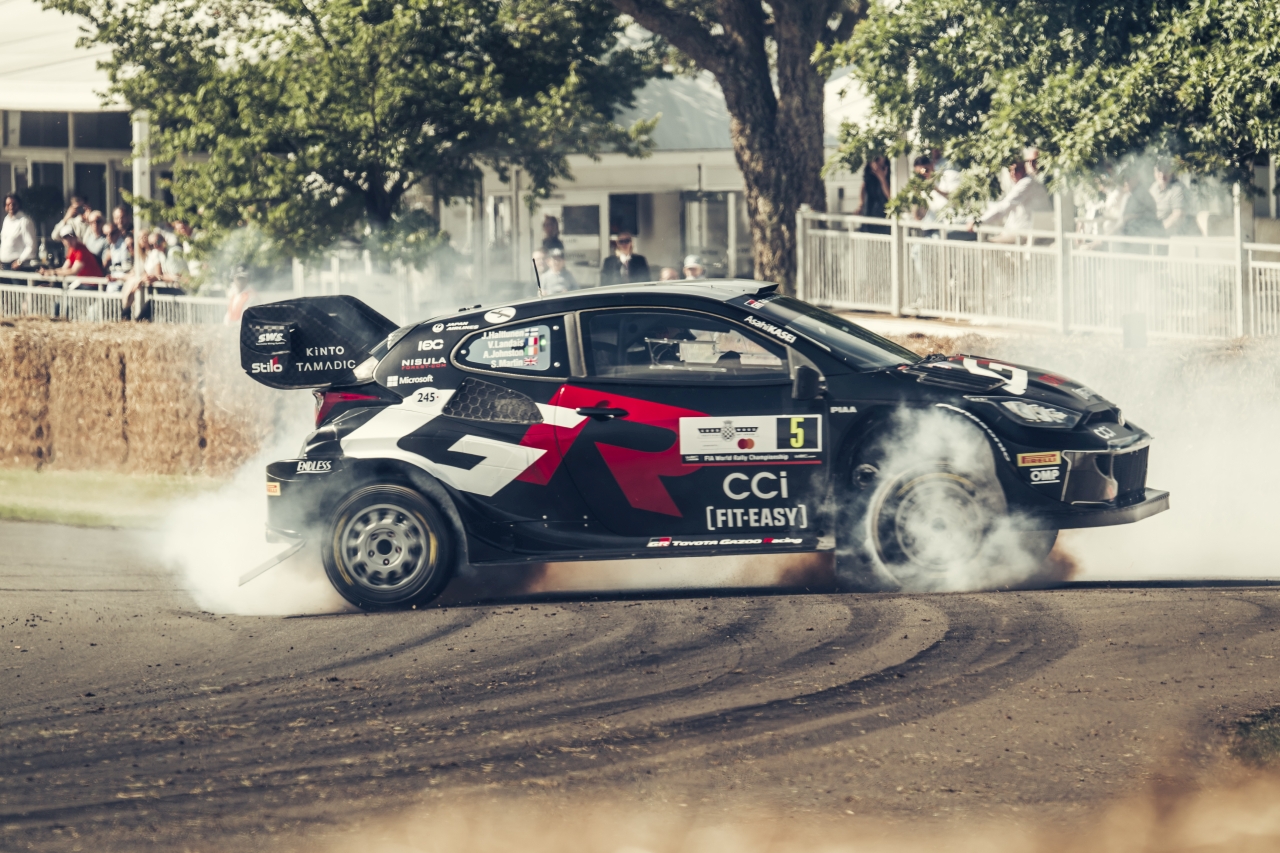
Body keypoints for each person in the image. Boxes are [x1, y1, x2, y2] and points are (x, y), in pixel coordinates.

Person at [975, 160, 1052, 243]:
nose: (1013, 173)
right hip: (1024, 232)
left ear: (1024, 169)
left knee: (985, 245)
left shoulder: (1027, 183)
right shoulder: (1028, 183)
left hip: (1024, 234)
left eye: (1017, 169)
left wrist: (979, 222)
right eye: (1010, 170)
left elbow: (1004, 206)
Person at [1150, 159, 1191, 236]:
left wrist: (1159, 231)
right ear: (1154, 172)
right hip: (1154, 228)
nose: (1162, 175)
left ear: (1172, 172)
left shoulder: (1178, 188)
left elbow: (1178, 214)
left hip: (1172, 233)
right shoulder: (1153, 187)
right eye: (1159, 171)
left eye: (1166, 170)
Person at [1, 194, 39, 271]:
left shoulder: (24, 221)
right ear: (5, 207)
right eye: (8, 204)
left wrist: (20, 261)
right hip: (4, 265)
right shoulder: (6, 220)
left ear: (18, 205)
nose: (11, 206)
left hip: (17, 266)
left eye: (13, 204)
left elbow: (31, 245)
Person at [856, 155, 891, 234]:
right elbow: (863, 188)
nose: (876, 164)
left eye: (878, 160)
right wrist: (860, 205)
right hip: (869, 214)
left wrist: (882, 179)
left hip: (884, 217)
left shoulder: (889, 173)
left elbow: (890, 197)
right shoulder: (869, 174)